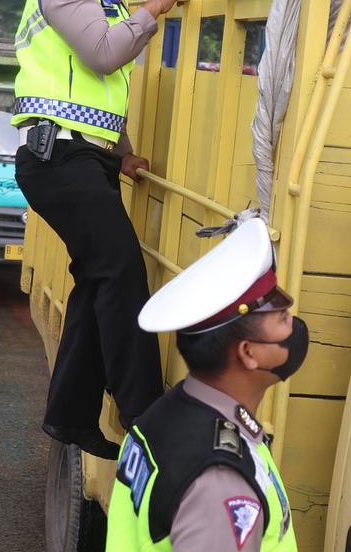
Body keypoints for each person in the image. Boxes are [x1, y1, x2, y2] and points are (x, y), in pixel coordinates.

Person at [12, 0, 188, 458]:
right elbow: (104, 55)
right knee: (121, 269)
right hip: (57, 160)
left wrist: (126, 153)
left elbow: (93, 94)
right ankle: (143, 410)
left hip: (88, 158)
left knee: (96, 282)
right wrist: (153, 10)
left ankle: (71, 417)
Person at [106, 215, 301, 552]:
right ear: (249, 353)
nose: (295, 326)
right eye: (283, 319)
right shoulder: (220, 486)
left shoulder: (168, 414)